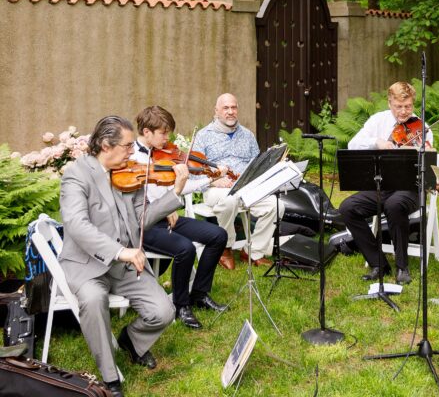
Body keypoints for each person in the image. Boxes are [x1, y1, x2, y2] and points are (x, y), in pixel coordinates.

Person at [59, 116, 184, 397]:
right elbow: (77, 225)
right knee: (93, 300)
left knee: (164, 312)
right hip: (87, 264)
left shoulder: (130, 173)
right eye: (128, 146)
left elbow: (143, 219)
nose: (132, 152)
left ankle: (131, 341)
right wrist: (120, 251)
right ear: (106, 144)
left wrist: (175, 192)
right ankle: (109, 376)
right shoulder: (77, 175)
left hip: (124, 265)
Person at [130, 106, 229, 330]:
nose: (168, 138)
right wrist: (169, 201)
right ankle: (181, 305)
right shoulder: (131, 159)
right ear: (147, 132)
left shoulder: (163, 154)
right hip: (145, 224)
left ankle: (200, 295)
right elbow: (145, 198)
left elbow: (181, 186)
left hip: (167, 216)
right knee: (185, 248)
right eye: (163, 133)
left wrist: (210, 179)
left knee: (217, 235)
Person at [338, 82, 433, 285]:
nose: (403, 111)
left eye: (407, 106)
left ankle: (402, 266)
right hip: (381, 185)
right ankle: (378, 263)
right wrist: (377, 142)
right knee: (347, 208)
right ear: (390, 103)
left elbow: (429, 163)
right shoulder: (377, 121)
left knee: (394, 204)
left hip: (410, 188)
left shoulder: (421, 128)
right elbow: (352, 144)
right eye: (398, 106)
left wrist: (420, 152)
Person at [192, 93, 283, 269]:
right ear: (216, 111)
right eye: (225, 108)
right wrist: (213, 181)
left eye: (233, 107)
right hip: (216, 188)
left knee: (276, 204)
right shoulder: (203, 136)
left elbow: (257, 165)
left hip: (246, 187)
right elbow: (193, 172)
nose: (230, 111)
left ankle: (253, 251)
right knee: (230, 200)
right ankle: (225, 246)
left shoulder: (248, 135)